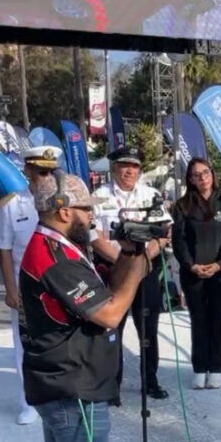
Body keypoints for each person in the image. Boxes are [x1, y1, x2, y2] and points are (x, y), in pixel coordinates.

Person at [19, 172, 154, 442]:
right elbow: (111, 313)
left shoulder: (60, 247)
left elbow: (106, 290)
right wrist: (144, 261)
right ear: (62, 210)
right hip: (71, 385)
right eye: (84, 210)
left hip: (65, 380)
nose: (90, 218)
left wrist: (131, 253)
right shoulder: (52, 256)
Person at [0, 145, 62, 426]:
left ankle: (56, 394)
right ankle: (28, 401)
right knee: (25, 347)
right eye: (39, 171)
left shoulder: (62, 201)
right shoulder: (10, 205)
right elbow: (4, 250)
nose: (44, 177)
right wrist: (9, 289)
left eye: (49, 171)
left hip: (57, 287)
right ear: (27, 170)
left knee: (58, 344)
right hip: (25, 287)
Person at [91, 146, 172, 401]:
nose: (129, 171)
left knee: (148, 328)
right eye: (124, 165)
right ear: (114, 167)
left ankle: (150, 380)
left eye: (135, 166)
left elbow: (164, 233)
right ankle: (112, 385)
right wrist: (124, 261)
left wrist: (143, 260)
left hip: (146, 270)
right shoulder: (99, 196)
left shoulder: (150, 195)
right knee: (111, 328)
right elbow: (94, 236)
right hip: (112, 270)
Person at [171, 157, 221, 390]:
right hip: (193, 273)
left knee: (217, 319)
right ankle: (200, 368)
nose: (203, 177)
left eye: (206, 172)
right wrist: (191, 265)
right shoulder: (182, 206)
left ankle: (216, 369)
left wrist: (220, 263)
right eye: (197, 174)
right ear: (190, 179)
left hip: (219, 272)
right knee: (198, 320)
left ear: (212, 174)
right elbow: (178, 240)